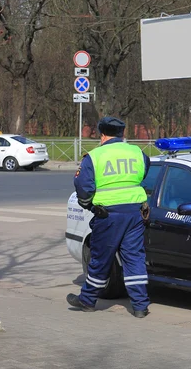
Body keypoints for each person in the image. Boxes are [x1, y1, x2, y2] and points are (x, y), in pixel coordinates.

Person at [66, 117, 151, 318]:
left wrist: (89, 206)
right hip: (134, 212)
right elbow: (144, 172)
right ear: (122, 134)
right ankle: (140, 306)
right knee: (134, 258)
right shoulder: (137, 152)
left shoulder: (94, 157)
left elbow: (83, 188)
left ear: (102, 135)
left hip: (108, 214)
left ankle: (87, 300)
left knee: (100, 258)